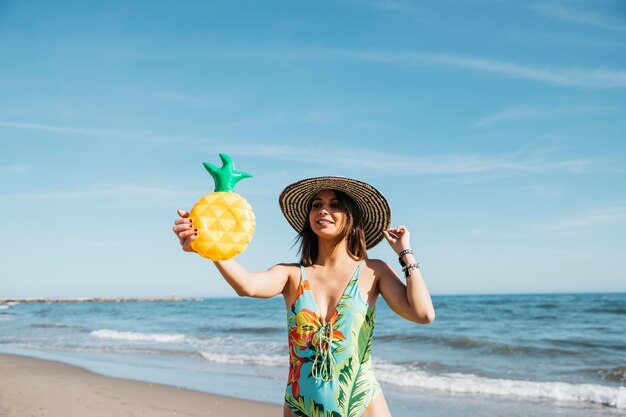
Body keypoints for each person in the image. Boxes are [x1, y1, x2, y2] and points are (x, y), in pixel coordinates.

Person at [173, 176, 435, 417]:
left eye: (334, 205)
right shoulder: (291, 275)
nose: (323, 210)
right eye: (316, 204)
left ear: (351, 216)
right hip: (301, 407)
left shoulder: (372, 271)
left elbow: (423, 314)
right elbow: (247, 286)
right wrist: (204, 243)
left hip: (363, 405)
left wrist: (405, 252)